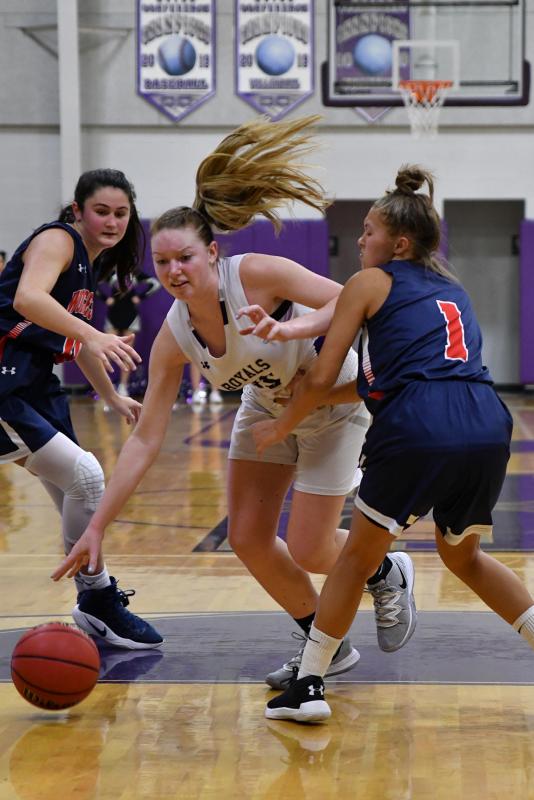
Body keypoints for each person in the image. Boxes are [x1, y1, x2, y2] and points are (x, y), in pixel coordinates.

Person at [51, 118, 416, 683]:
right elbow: (147, 437)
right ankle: (324, 644)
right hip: (266, 408)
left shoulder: (258, 275)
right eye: (164, 262)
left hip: (330, 403)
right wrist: (98, 525)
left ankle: (386, 568)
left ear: (212, 253)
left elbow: (355, 300)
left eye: (185, 259)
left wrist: (296, 333)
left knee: (312, 547)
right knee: (246, 537)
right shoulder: (172, 338)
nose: (174, 271)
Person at [250, 164, 534, 722]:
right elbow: (378, 380)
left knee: (357, 557)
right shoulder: (452, 290)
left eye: (368, 231)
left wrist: (283, 424)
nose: (360, 240)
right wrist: (322, 398)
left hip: (418, 426)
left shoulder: (369, 283)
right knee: (465, 557)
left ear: (398, 243)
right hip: (485, 421)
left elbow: (320, 374)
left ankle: (308, 687)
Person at [0, 168, 163, 650]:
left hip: (33, 384)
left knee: (76, 487)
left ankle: (98, 599)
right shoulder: (59, 239)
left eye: (121, 213)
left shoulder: (89, 267)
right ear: (78, 212)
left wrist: (110, 395)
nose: (112, 221)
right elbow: (29, 298)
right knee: (88, 477)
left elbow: (79, 336)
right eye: (101, 211)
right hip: (5, 383)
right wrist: (92, 333)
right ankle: (96, 597)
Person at [97, 269, 161, 396]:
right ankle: (104, 386)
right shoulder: (111, 272)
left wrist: (141, 296)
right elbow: (93, 283)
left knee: (127, 352)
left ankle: (123, 386)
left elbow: (155, 284)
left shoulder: (136, 273)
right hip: (113, 314)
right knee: (106, 352)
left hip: (130, 315)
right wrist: (105, 298)